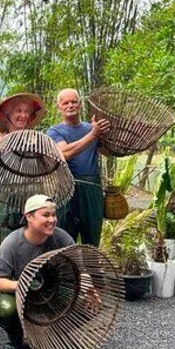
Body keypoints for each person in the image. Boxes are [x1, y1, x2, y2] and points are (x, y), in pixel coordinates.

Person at [0, 194, 74, 349]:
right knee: (5, 308)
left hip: (51, 292)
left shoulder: (61, 237)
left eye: (54, 215)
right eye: (46, 215)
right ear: (29, 217)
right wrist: (22, 285)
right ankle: (16, 338)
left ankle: (59, 332)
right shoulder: (12, 243)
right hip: (22, 296)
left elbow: (79, 268)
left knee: (84, 298)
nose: (52, 220)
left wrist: (90, 289)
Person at [46, 88, 111, 247]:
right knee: (65, 240)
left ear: (80, 104)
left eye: (74, 102)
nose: (70, 105)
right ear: (58, 107)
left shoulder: (92, 128)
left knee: (92, 238)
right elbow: (64, 153)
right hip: (67, 188)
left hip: (92, 188)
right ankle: (66, 271)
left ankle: (91, 270)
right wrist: (93, 135)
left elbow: (108, 151)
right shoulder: (54, 131)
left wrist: (107, 134)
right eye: (65, 103)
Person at [0, 93, 46, 243]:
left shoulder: (36, 138)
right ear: (7, 115)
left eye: (26, 112)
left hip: (32, 198)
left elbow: (50, 167)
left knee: (34, 246)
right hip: (5, 200)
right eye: (18, 111)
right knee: (8, 245)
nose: (23, 115)